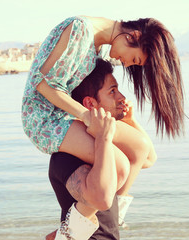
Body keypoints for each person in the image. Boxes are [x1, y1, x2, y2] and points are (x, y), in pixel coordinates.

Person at [21, 15, 184, 238]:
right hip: (45, 119)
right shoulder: (79, 29)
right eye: (134, 59)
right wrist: (87, 117)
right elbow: (44, 85)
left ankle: (114, 219)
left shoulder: (95, 44)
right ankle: (67, 235)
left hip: (68, 114)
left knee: (140, 147)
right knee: (119, 166)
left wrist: (125, 118)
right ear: (132, 36)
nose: (126, 64)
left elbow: (147, 157)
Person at [46, 59, 156, 240]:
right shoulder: (66, 156)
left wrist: (131, 121)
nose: (122, 97)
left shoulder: (106, 147)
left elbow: (148, 158)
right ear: (90, 105)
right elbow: (100, 197)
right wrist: (103, 138)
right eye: (112, 91)